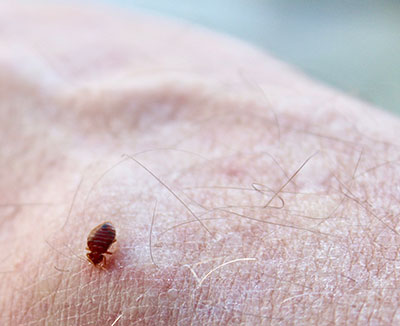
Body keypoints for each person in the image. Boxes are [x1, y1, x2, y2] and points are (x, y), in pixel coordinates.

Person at [1, 2, 399, 325]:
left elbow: (108, 240)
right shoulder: (98, 244)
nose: (100, 256)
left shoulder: (99, 243)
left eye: (98, 254)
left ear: (98, 249)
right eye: (99, 253)